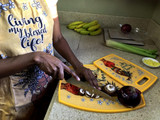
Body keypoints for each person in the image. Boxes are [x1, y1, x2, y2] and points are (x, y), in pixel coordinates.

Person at [0, 0, 100, 120]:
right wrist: (35, 57)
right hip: (13, 103)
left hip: (48, 90)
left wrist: (78, 65)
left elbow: (57, 38)